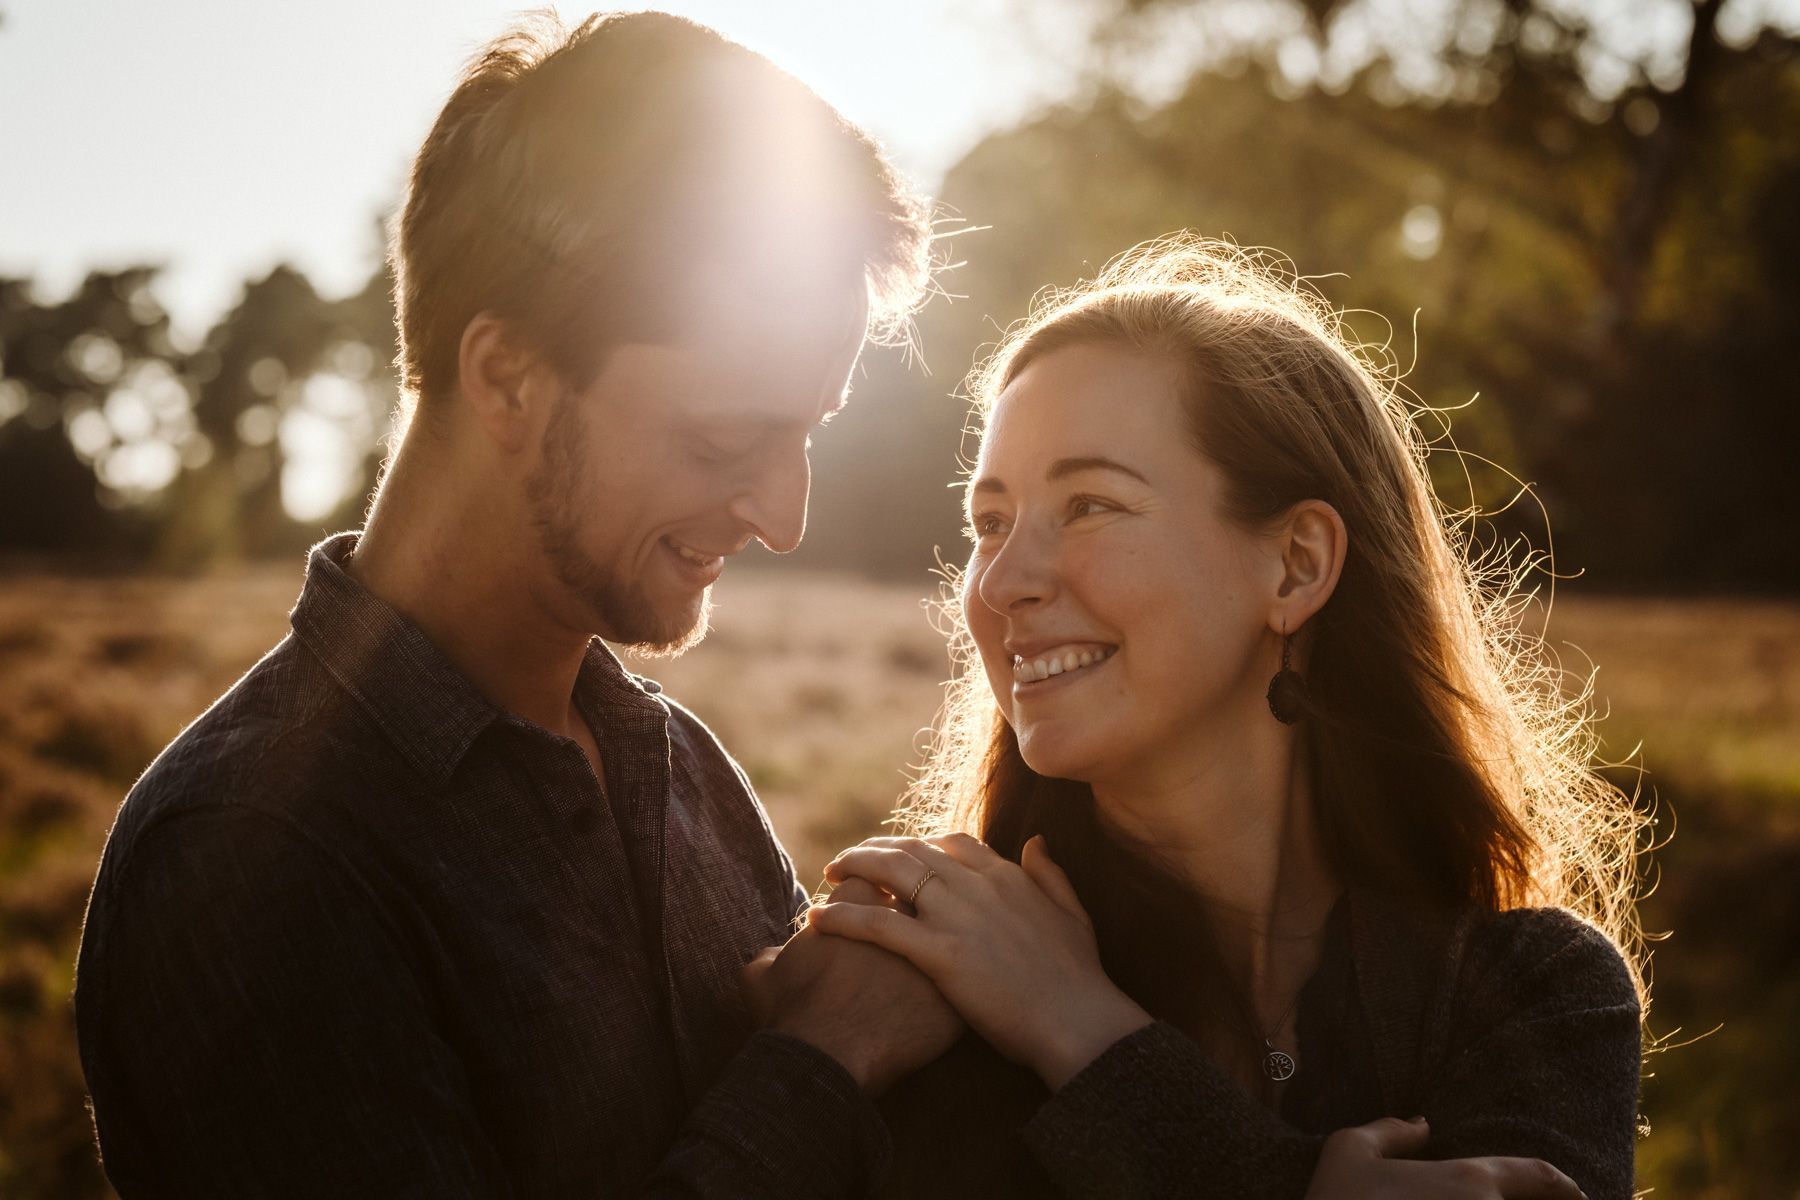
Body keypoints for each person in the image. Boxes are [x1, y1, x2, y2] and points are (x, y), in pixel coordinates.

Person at [73, 12, 965, 1197]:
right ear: (505, 376)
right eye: (725, 437)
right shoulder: (251, 856)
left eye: (808, 431)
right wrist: (820, 1060)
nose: (782, 515)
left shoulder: (677, 767)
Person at [807, 236, 1648, 1199]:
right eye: (989, 522)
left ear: (1295, 565)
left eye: (1088, 505)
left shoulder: (1529, 995)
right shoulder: (919, 982)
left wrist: (1077, 1028)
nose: (1001, 581)